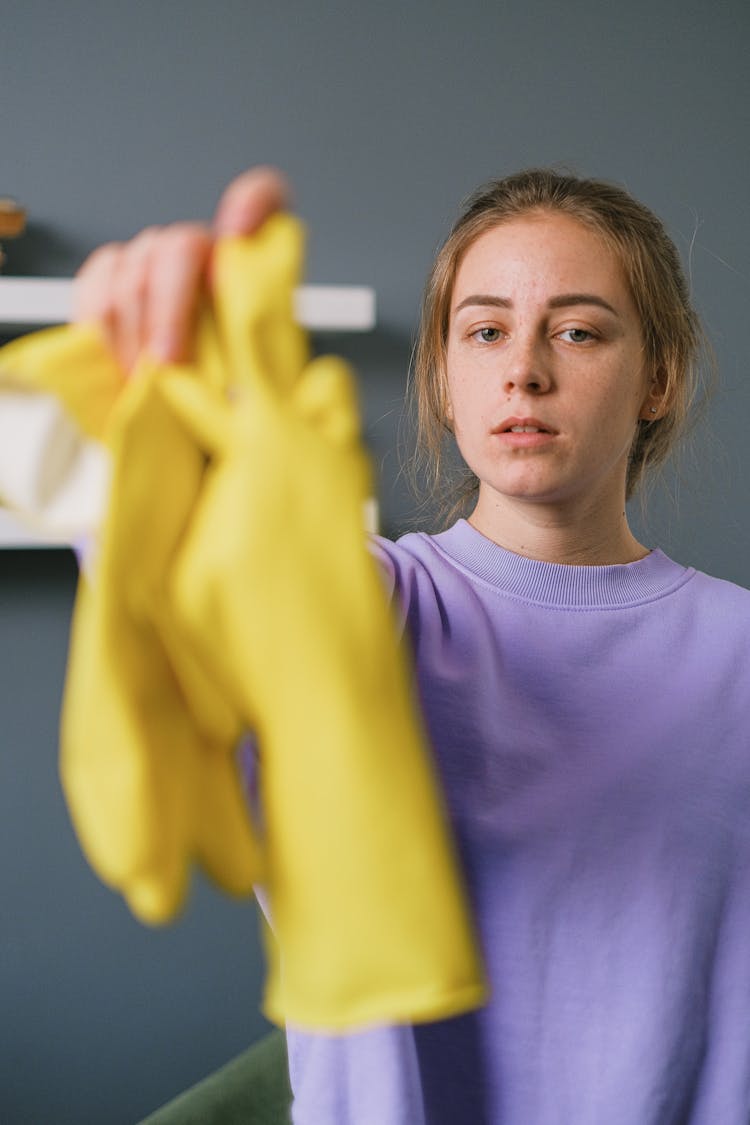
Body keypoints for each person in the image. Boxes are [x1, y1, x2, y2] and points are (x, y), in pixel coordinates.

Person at [75, 166, 750, 1124]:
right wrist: (148, 386)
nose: (524, 369)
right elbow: (199, 584)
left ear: (660, 377)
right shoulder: (368, 609)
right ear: (442, 375)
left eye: (578, 329)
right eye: (484, 331)